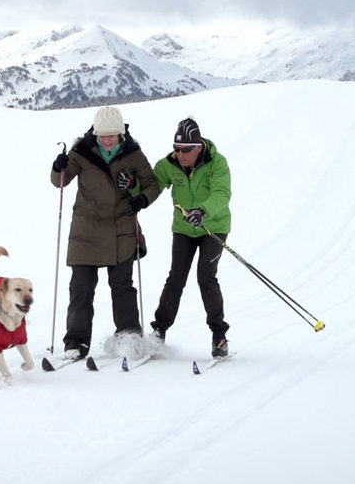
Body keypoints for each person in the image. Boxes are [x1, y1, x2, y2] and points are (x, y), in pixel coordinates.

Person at [50, 106, 160, 360]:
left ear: (121, 133)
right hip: (85, 228)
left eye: (112, 135)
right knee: (81, 288)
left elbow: (151, 183)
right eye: (102, 135)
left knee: (122, 286)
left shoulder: (133, 155)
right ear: (95, 133)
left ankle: (129, 338)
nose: (107, 140)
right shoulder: (81, 152)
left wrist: (141, 199)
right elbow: (60, 182)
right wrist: (59, 167)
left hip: (121, 227)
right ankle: (75, 343)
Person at [149, 116, 232, 357]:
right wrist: (134, 188)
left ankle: (219, 335)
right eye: (176, 149)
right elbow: (151, 185)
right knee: (176, 277)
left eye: (185, 150)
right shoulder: (170, 164)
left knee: (206, 277)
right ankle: (159, 331)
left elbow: (222, 193)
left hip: (213, 226)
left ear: (198, 148)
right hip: (184, 228)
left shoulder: (217, 163)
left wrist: (203, 211)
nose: (180, 154)